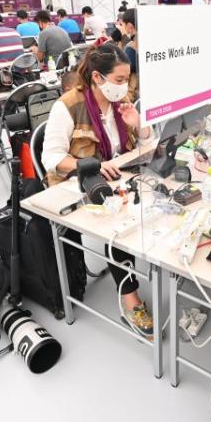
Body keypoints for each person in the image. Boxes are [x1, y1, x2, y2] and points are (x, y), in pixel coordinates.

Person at [41, 43, 155, 336]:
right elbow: (51, 159)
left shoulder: (121, 103)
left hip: (117, 178)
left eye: (126, 79)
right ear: (96, 77)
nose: (125, 86)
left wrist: (138, 124)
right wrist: (88, 164)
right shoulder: (67, 106)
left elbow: (146, 147)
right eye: (119, 80)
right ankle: (130, 297)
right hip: (79, 187)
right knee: (119, 224)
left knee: (155, 201)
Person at [120, 8, 138, 74]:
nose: (122, 27)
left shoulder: (130, 50)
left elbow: (122, 72)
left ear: (130, 26)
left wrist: (122, 36)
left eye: (123, 24)